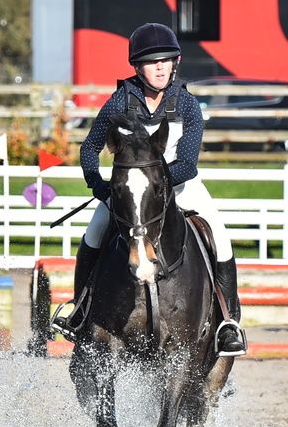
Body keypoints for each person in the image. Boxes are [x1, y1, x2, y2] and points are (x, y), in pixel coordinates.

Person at [52, 22, 246, 357]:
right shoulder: (118, 105)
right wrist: (100, 185)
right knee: (94, 235)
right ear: (137, 67)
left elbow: (187, 164)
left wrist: (155, 183)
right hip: (131, 193)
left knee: (221, 237)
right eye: (151, 61)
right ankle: (80, 312)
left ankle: (228, 323)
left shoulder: (187, 106)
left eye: (165, 60)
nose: (159, 66)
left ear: (176, 63)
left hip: (181, 187)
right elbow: (88, 149)